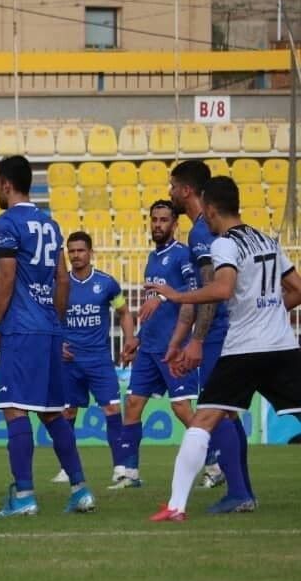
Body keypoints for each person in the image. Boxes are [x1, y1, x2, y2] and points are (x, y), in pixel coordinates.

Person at [148, 176, 301, 520]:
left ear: (211, 209)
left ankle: (176, 506)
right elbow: (297, 288)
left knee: (203, 419)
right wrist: (270, 313)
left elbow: (222, 289)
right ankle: (227, 495)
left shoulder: (224, 244)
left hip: (244, 349)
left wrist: (177, 296)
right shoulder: (265, 239)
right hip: (282, 346)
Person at [0, 155, 95, 517]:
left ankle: (24, 495)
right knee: (52, 413)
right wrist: (56, 323)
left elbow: (6, 277)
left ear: (6, 184)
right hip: (49, 328)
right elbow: (63, 279)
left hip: (21, 328)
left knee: (15, 409)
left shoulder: (6, 223)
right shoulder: (50, 224)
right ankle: (80, 490)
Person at [167, 159, 244, 490]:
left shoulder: (201, 232)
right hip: (228, 329)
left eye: (173, 186)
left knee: (214, 409)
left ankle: (239, 491)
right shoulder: (205, 230)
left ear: (186, 190)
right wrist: (178, 341)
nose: (170, 192)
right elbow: (196, 293)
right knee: (227, 411)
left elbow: (211, 290)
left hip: (218, 332)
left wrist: (197, 340)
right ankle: (241, 488)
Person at [115, 200, 199, 488]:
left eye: (164, 220)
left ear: (175, 224)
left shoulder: (183, 254)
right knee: (133, 404)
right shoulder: (152, 258)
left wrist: (163, 296)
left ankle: (214, 463)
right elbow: (152, 309)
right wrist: (137, 338)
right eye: (154, 219)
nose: (158, 225)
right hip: (149, 347)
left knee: (182, 408)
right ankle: (130, 473)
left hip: (173, 346)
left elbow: (195, 290)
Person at [50, 231, 136, 486]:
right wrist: (56, 345)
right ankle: (67, 469)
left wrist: (129, 339)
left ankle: (120, 467)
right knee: (67, 412)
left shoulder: (107, 284)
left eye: (80, 250)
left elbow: (124, 312)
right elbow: (49, 318)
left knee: (112, 408)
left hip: (99, 360)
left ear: (90, 252)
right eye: (72, 251)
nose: (76, 255)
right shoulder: (59, 285)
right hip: (69, 362)